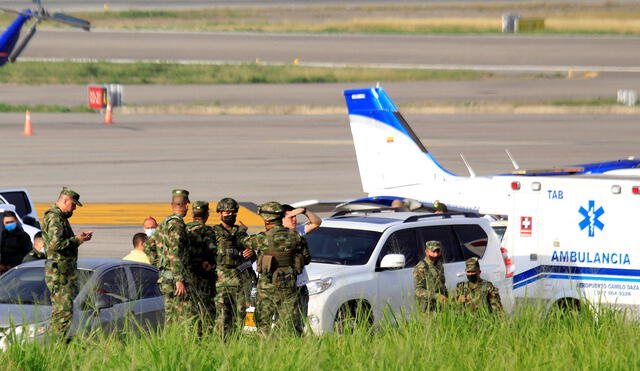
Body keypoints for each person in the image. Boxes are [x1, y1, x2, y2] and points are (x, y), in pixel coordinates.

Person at [245, 201, 310, 335]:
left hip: (266, 287)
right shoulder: (296, 237)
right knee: (288, 324)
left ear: (267, 219)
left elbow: (244, 242)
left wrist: (241, 232)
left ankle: (265, 350)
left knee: (264, 324)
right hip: (288, 286)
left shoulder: (262, 238)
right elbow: (306, 258)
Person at [42, 187, 93, 337]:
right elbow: (55, 245)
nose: (74, 208)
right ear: (65, 201)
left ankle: (55, 342)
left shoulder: (58, 218)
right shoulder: (55, 218)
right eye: (73, 204)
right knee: (63, 312)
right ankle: (56, 344)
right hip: (60, 273)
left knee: (62, 311)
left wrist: (78, 239)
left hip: (62, 272)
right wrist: (77, 239)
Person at [144, 189, 192, 324]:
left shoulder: (165, 223)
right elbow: (175, 252)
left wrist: (158, 264)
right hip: (174, 280)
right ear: (187, 205)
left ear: (172, 205)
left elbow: (148, 245)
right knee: (183, 318)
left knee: (170, 316)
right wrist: (179, 279)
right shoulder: (177, 224)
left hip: (165, 278)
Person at [212, 197, 253, 337]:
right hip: (220, 283)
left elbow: (251, 259)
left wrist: (250, 253)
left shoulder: (241, 233)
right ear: (220, 213)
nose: (230, 215)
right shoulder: (214, 233)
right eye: (226, 212)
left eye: (233, 212)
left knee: (239, 319)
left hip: (239, 283)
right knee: (221, 320)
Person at [185, 200, 217, 326]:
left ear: (192, 214)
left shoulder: (184, 229)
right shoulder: (207, 231)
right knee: (206, 308)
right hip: (203, 275)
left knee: (191, 308)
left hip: (188, 273)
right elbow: (213, 250)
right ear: (207, 215)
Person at [413, 241, 448, 312]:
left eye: (438, 251)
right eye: (433, 252)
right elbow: (418, 290)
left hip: (441, 307)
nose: (436, 254)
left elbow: (442, 284)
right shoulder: (421, 267)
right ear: (427, 252)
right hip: (428, 309)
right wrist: (436, 296)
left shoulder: (439, 264)